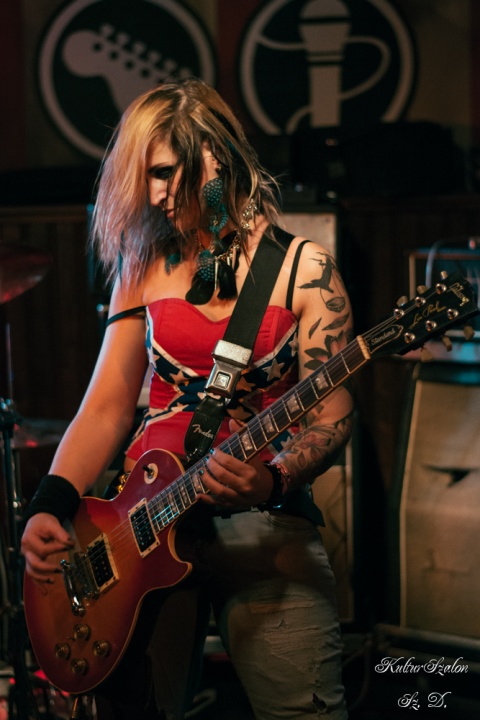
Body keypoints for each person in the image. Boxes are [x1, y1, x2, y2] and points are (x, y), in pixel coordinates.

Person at [21, 78, 354, 720]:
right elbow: (106, 407)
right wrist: (50, 505)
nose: (154, 195)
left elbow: (332, 419)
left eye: (165, 172)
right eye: (145, 176)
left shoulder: (305, 271)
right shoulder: (142, 265)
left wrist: (272, 479)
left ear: (214, 157)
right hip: (141, 522)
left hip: (262, 528)